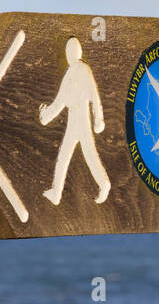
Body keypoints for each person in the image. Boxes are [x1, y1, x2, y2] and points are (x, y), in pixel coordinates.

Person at [39, 37, 109, 205]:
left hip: (82, 118)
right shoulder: (70, 73)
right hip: (74, 119)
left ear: (74, 52)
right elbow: (60, 102)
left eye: (69, 51)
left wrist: (98, 119)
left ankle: (104, 184)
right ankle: (56, 193)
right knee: (64, 156)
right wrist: (45, 116)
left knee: (88, 154)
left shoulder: (83, 69)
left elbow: (94, 95)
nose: (68, 54)